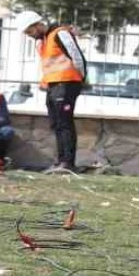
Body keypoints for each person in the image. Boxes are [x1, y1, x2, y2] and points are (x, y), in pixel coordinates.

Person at [15, 11, 87, 171]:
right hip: (54, 86)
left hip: (67, 83)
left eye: (30, 31)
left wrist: (82, 78)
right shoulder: (43, 42)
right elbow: (49, 65)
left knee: (64, 123)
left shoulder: (60, 33)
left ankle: (67, 163)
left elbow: (76, 55)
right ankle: (61, 161)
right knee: (56, 123)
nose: (30, 35)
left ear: (37, 24)